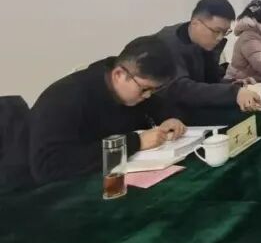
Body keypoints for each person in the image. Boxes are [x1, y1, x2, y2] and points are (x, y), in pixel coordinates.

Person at [28, 36, 187, 183]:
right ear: (118, 74)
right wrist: (135, 143)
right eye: (145, 89)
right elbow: (48, 166)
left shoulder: (132, 87)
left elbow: (158, 107)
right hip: (56, 190)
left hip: (113, 177)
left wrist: (169, 119)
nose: (148, 96)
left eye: (154, 90)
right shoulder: (64, 98)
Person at [154, 0, 261, 113]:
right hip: (169, 114)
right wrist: (233, 93)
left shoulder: (204, 43)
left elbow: (210, 80)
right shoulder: (165, 44)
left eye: (225, 32)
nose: (220, 37)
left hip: (195, 108)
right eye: (216, 31)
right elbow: (181, 89)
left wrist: (235, 84)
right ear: (195, 23)